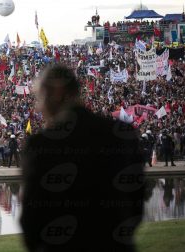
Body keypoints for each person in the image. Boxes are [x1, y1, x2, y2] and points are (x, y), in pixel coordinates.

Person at [20, 64, 144, 252]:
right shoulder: (122, 134)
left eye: (40, 97)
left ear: (58, 93)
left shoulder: (40, 145)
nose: (39, 106)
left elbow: (31, 218)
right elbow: (137, 202)